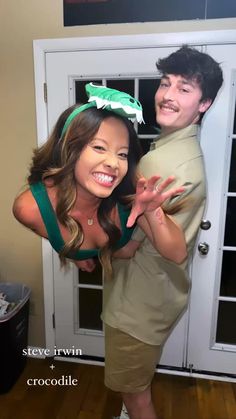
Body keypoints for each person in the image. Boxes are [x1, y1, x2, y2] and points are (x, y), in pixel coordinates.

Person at [102, 46, 223, 419]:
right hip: (157, 296)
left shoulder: (160, 164)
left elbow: (127, 249)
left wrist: (93, 248)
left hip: (136, 306)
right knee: (135, 383)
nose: (167, 95)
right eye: (166, 83)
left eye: (184, 89)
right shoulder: (181, 151)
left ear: (204, 103)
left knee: (135, 394)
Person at [12, 84, 186, 282]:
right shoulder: (30, 208)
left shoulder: (130, 194)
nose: (114, 163)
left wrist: (153, 212)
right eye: (99, 147)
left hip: (145, 280)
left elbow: (178, 254)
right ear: (69, 150)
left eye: (122, 154)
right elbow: (51, 228)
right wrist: (73, 251)